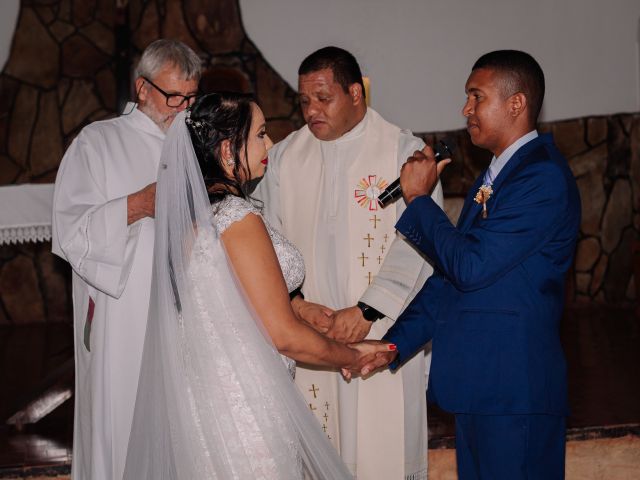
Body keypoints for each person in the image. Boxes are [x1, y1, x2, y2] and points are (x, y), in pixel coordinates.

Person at [123, 92, 387, 479]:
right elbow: (283, 337)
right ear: (228, 150)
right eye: (261, 134)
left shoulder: (192, 218)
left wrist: (298, 306)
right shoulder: (236, 217)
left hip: (206, 400)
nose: (271, 144)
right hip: (245, 407)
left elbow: (231, 300)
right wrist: (353, 356)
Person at [357, 50, 581, 479]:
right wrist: (391, 346)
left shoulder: (541, 177)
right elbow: (449, 280)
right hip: (480, 387)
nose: (466, 109)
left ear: (515, 103)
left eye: (476, 97)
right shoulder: (495, 176)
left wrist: (420, 199)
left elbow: (471, 266)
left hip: (515, 392)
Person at [255, 46, 442, 479]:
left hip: (381, 331)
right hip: (312, 333)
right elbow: (267, 240)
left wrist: (367, 310)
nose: (311, 110)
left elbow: (421, 240)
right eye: (304, 100)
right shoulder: (285, 158)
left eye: (323, 98)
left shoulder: (404, 153)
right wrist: (297, 304)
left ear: (356, 93)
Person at [51, 39, 201, 480]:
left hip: (187, 316)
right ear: (142, 88)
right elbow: (72, 231)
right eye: (174, 96)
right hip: (124, 318)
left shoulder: (194, 147)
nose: (182, 108)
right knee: (125, 427)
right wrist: (139, 204)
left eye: (191, 97)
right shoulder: (97, 143)